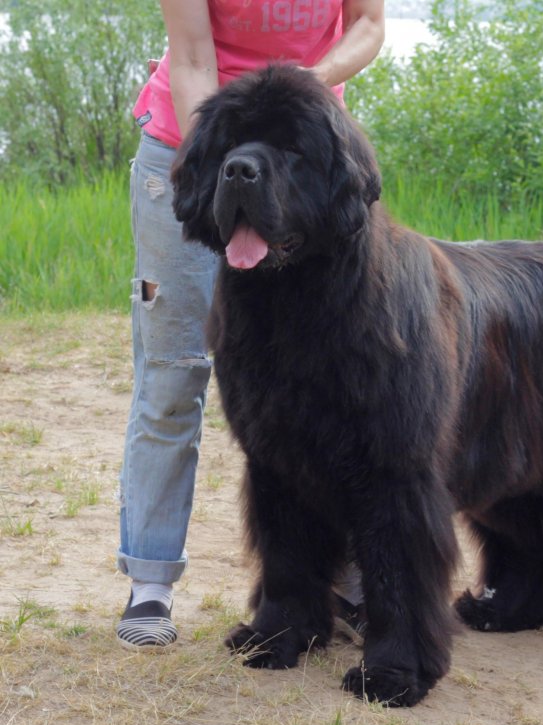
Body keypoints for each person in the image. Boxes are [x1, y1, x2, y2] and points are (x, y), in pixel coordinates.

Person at [115, 0, 384, 650]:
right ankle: (151, 581)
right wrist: (216, 163)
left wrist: (310, 87)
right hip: (195, 152)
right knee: (174, 378)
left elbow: (369, 26)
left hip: (302, 161)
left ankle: (342, 583)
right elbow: (192, 58)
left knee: (336, 382)